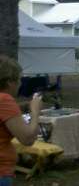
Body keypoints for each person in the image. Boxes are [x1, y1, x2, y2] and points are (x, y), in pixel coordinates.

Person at [0, 56, 43, 185]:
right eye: (19, 79)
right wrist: (35, 111)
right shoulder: (5, 100)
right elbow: (27, 139)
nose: (20, 84)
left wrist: (21, 107)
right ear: (9, 82)